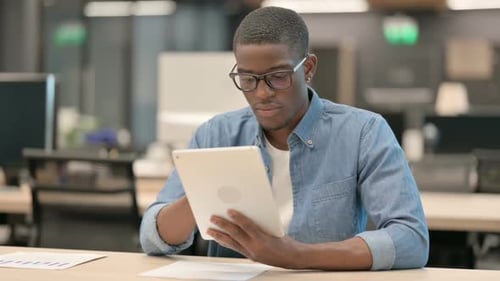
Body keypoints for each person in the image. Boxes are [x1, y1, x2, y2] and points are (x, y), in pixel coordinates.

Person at [140, 6, 429, 270]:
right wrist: (202, 194)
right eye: (248, 79)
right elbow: (152, 237)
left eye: (278, 76)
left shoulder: (363, 132)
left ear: (308, 68)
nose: (262, 93)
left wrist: (295, 256)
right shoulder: (216, 134)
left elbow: (411, 240)